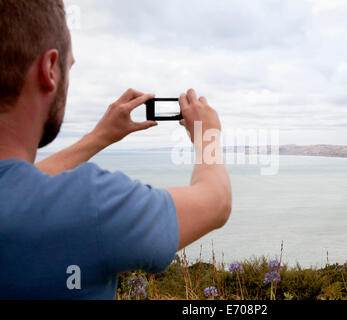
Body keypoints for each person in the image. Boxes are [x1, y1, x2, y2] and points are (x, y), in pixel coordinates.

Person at [0, 0, 232, 300]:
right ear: (49, 69)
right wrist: (208, 134)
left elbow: (21, 186)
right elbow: (217, 202)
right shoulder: (90, 203)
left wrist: (99, 137)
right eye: (68, 67)